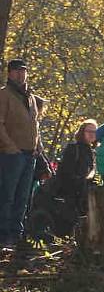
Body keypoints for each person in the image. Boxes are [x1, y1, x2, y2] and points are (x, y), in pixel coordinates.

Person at [0, 58, 40, 248]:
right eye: (16, 71)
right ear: (9, 73)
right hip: (11, 155)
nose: (20, 74)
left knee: (23, 197)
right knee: (7, 194)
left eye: (23, 70)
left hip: (29, 154)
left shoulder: (30, 97)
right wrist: (10, 147)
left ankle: (16, 234)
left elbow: (35, 124)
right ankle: (4, 235)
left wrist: (37, 146)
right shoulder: (4, 95)